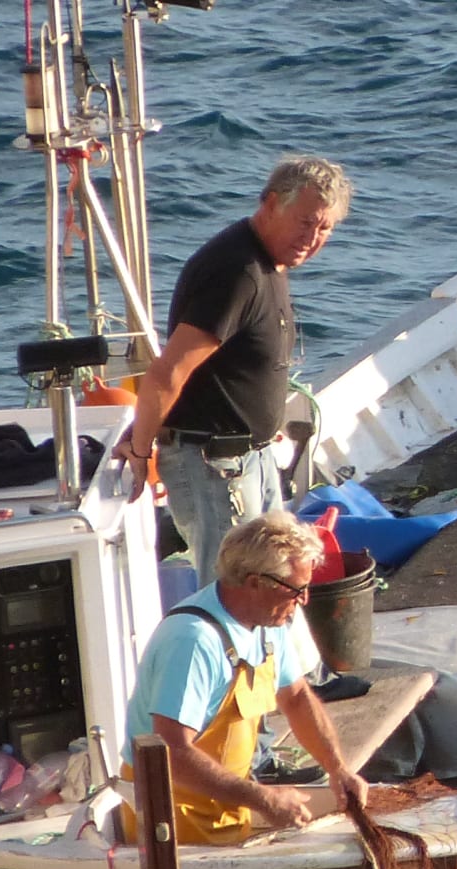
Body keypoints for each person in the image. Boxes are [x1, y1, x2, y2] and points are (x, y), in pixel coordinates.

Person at [114, 155, 352, 577]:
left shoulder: (270, 262)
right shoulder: (236, 272)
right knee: (236, 586)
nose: (312, 238)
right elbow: (168, 373)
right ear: (272, 203)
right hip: (215, 468)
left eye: (325, 228)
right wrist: (139, 449)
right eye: (305, 222)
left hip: (251, 459)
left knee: (272, 580)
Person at [124, 511, 368, 845]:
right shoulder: (193, 642)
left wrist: (338, 769)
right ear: (255, 583)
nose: (303, 601)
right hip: (171, 826)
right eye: (297, 590)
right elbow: (171, 751)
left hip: (227, 810)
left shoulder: (270, 622)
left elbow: (296, 698)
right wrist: (263, 799)